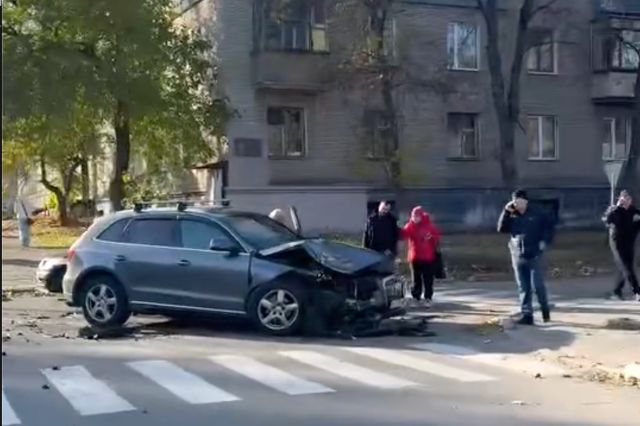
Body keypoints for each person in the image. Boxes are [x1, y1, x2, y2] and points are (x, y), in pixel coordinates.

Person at [497, 189, 555, 325]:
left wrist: (544, 241)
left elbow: (549, 228)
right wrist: (505, 211)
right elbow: (501, 228)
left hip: (534, 253)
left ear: (526, 201)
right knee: (523, 286)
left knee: (537, 285)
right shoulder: (512, 214)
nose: (518, 204)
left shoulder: (537, 213)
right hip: (517, 254)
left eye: (520, 201)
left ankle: (545, 309)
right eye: (515, 202)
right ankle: (527, 314)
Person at [602, 190, 640, 302]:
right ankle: (637, 291)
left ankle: (616, 291)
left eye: (629, 199)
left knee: (625, 267)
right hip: (617, 242)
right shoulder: (615, 210)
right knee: (627, 267)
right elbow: (607, 220)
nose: (627, 201)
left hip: (629, 242)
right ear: (620, 199)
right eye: (624, 199)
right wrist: (617, 207)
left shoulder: (634, 211)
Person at [400, 206, 441, 307]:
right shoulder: (410, 225)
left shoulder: (429, 226)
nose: (415, 218)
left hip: (428, 257)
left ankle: (428, 298)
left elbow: (437, 237)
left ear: (421, 216)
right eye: (413, 216)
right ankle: (416, 297)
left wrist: (431, 237)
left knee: (428, 279)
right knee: (416, 279)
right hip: (415, 257)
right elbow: (403, 235)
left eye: (417, 216)